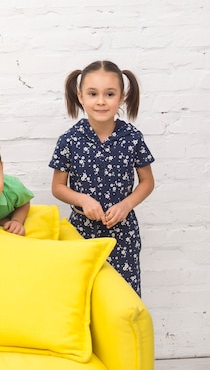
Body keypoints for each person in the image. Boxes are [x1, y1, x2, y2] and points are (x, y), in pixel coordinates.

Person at [49, 60, 155, 295]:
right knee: (83, 298)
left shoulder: (132, 138)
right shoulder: (69, 140)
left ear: (122, 96)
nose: (101, 101)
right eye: (93, 93)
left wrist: (126, 205)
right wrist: (83, 200)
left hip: (123, 234)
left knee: (123, 300)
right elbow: (58, 187)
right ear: (80, 96)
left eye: (109, 94)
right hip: (81, 232)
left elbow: (147, 182)